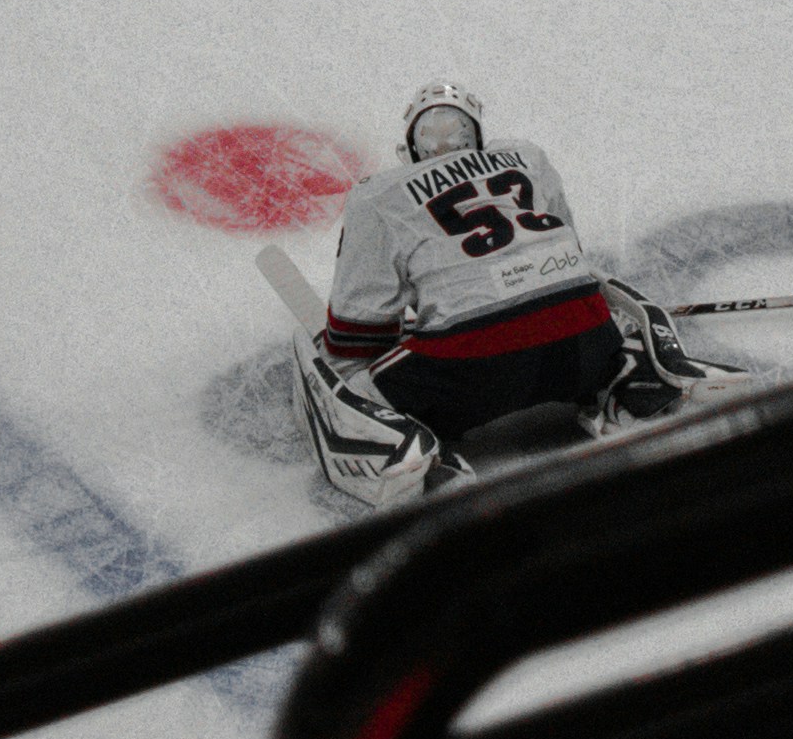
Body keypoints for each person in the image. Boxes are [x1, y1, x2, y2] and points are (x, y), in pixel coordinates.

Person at [294, 84, 725, 509]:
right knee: (588, 320)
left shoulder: (380, 194)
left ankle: (422, 459)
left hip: (471, 373)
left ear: (409, 150)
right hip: (581, 345)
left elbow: (358, 333)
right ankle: (628, 381)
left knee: (354, 380)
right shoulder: (527, 158)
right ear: (477, 135)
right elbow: (571, 256)